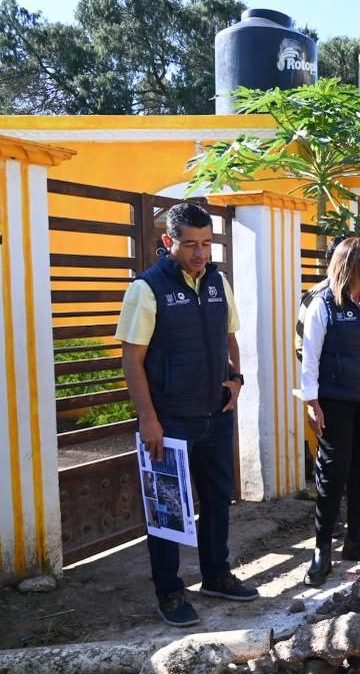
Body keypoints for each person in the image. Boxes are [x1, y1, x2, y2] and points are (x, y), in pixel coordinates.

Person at [116, 202, 257, 628]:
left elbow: (228, 338)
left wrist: (235, 379)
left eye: (206, 244)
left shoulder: (218, 282)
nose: (200, 253)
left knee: (216, 500)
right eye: (190, 244)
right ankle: (170, 592)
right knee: (168, 509)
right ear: (168, 242)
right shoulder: (147, 288)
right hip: (170, 420)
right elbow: (131, 359)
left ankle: (216, 575)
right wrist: (148, 419)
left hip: (215, 414)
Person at [300, 237, 360, 585]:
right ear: (354, 267)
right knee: (332, 473)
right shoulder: (322, 305)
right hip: (336, 401)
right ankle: (321, 548)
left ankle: (355, 538)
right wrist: (312, 403)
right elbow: (309, 359)